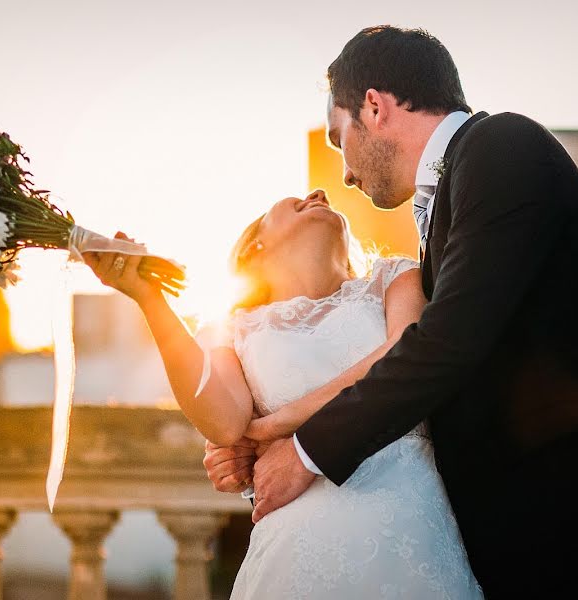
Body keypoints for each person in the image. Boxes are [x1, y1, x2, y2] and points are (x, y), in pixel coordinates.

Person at [206, 25, 578, 598]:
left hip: (561, 538)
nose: (343, 171)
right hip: (491, 546)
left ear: (374, 107)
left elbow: (445, 345)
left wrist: (302, 450)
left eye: (338, 138)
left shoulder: (505, 147)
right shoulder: (458, 187)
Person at [83, 189, 484, 597]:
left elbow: (402, 355)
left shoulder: (393, 278)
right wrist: (149, 298)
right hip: (295, 553)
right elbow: (225, 423)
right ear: (256, 242)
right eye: (297, 196)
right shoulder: (232, 328)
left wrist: (276, 425)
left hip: (411, 534)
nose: (319, 193)